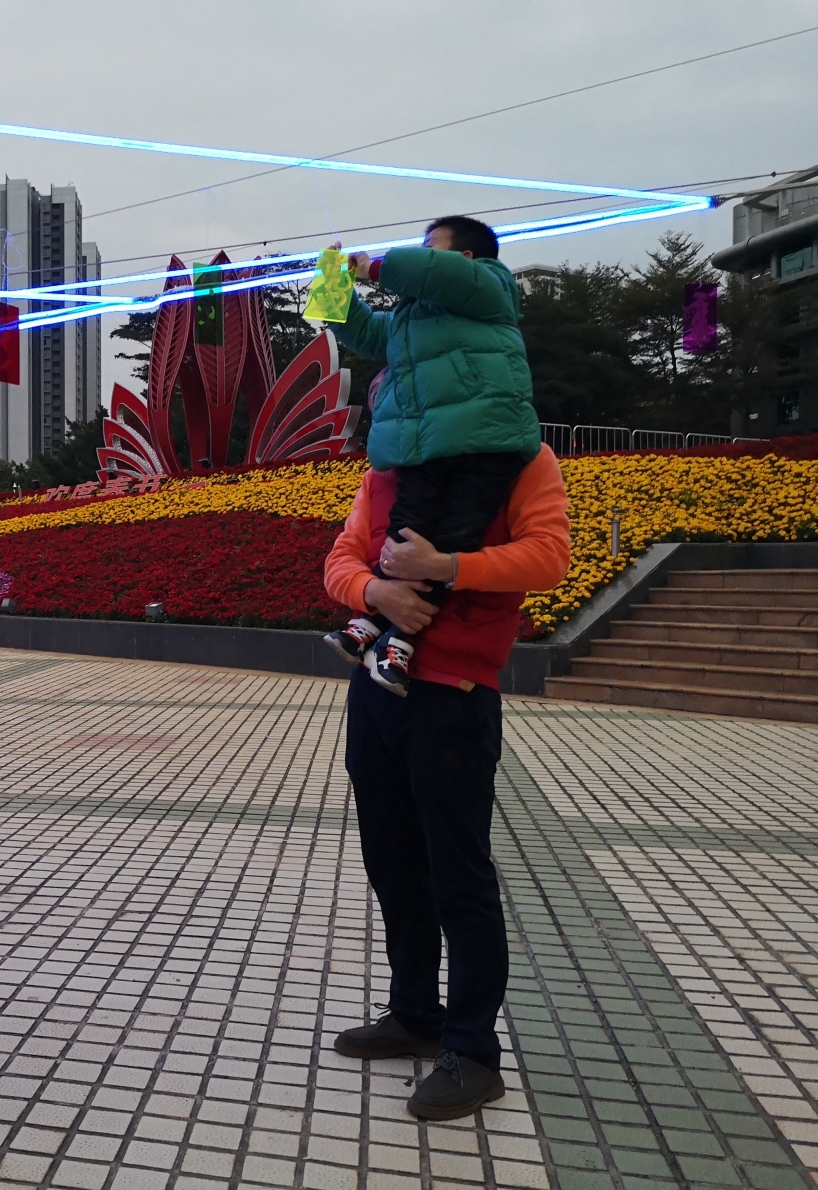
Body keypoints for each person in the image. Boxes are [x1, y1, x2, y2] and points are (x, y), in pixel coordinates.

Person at [322, 285, 570, 1118]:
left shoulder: (523, 460)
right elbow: (340, 559)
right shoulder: (387, 469)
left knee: (457, 874)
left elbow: (548, 557)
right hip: (378, 690)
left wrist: (446, 569)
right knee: (392, 862)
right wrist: (377, 593)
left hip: (454, 697)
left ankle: (471, 1049)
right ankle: (414, 1014)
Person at [321, 216, 544, 696]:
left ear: (466, 257)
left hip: (488, 443)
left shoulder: (490, 287)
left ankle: (400, 639)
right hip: (427, 446)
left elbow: (438, 274)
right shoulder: (410, 321)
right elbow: (360, 331)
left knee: (455, 541)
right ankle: (372, 625)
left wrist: (375, 268)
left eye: (429, 247)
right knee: (406, 534)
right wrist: (332, 279)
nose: (420, 255)